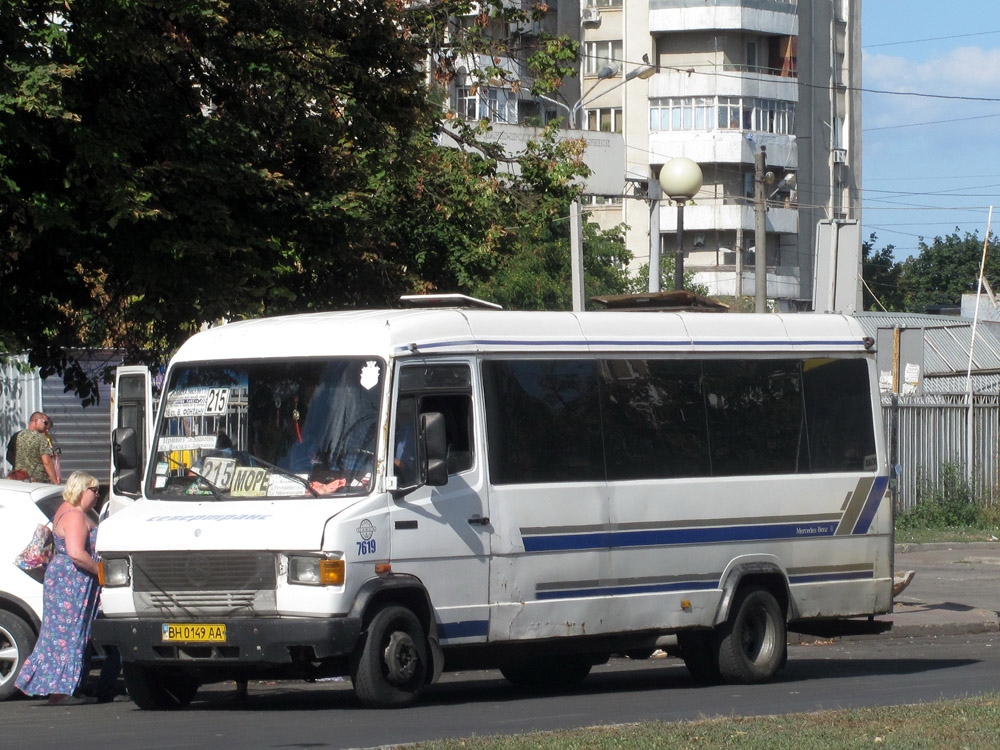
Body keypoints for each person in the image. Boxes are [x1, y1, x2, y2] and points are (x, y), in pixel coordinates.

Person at [16, 471, 101, 705]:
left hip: (63, 579)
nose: (97, 495)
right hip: (71, 582)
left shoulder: (64, 509)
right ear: (82, 490)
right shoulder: (75, 516)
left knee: (59, 634)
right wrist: (100, 571)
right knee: (70, 634)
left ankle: (66, 687)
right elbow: (77, 554)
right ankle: (62, 691)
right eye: (94, 490)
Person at [13, 412, 59, 484]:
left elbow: (9, 455)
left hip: (18, 480)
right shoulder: (41, 438)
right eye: (45, 423)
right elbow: (47, 462)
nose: (46, 426)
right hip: (37, 481)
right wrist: (55, 481)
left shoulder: (17, 436)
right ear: (36, 421)